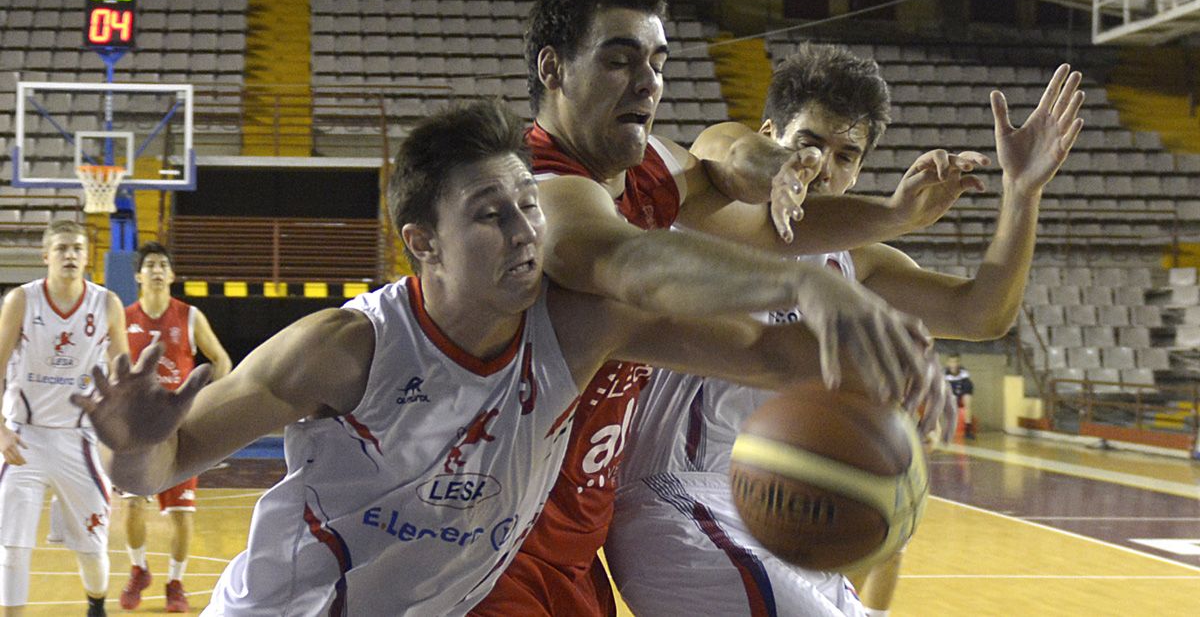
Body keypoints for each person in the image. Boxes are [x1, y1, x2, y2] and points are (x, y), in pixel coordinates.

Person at [72, 100, 938, 616]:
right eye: (493, 215)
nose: (529, 233)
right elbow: (158, 466)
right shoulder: (342, 349)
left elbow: (763, 349)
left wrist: (877, 356)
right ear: (423, 243)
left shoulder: (580, 327)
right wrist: (128, 440)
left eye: (531, 206)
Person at [474, 0, 976, 617]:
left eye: (657, 61)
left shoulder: (646, 174)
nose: (647, 81)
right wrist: (807, 284)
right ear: (553, 68)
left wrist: (883, 213)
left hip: (567, 549)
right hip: (478, 542)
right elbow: (627, 259)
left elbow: (749, 197)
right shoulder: (538, 189)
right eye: (621, 59)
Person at [605, 44, 1084, 617]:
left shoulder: (859, 263)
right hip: (676, 495)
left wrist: (1022, 192)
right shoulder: (711, 199)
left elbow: (983, 314)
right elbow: (724, 146)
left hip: (783, 513)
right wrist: (774, 169)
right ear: (771, 132)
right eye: (808, 143)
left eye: (845, 155)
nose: (822, 167)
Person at [0, 219, 130, 617]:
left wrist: (128, 428)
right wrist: (0, 430)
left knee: (92, 545)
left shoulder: (107, 303)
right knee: (12, 544)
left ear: (87, 257)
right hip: (24, 436)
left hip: (81, 438)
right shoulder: (22, 300)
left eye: (76, 248)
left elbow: (123, 372)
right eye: (62, 249)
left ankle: (96, 603)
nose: (70, 254)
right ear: (45, 257)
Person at [118, 242, 232, 613]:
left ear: (171, 275)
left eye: (162, 265)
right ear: (138, 275)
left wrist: (207, 402)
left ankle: (175, 583)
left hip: (179, 429)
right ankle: (139, 570)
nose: (155, 270)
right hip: (136, 430)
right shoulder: (122, 318)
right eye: (149, 264)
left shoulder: (190, 316)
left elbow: (220, 359)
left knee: (182, 514)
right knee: (133, 507)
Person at [944, 353, 975, 440]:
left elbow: (967, 388)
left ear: (959, 363)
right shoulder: (944, 374)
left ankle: (968, 430)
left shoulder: (964, 374)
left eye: (956, 362)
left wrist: (960, 397)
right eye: (951, 362)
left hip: (961, 390)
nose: (954, 364)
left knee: (967, 402)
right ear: (948, 363)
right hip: (949, 393)